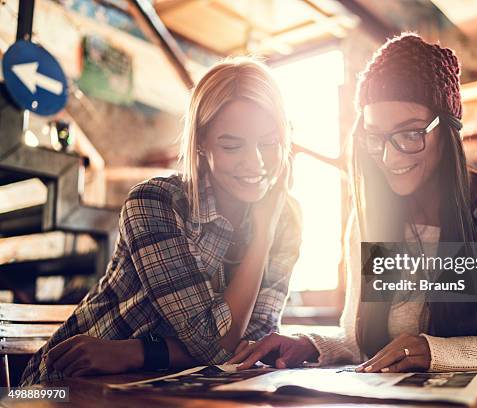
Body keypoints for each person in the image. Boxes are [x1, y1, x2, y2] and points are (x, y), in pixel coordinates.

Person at [229, 33, 477, 393]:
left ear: (449, 130)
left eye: (409, 134)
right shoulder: (370, 220)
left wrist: (437, 352)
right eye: (374, 137)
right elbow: (365, 342)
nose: (390, 157)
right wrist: (312, 344)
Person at [20, 57, 302, 385]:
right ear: (201, 144)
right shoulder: (156, 202)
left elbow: (247, 347)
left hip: (162, 386)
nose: (255, 162)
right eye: (231, 144)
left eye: (269, 143)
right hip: (62, 385)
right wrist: (263, 238)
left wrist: (134, 352)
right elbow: (215, 344)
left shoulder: (286, 220)